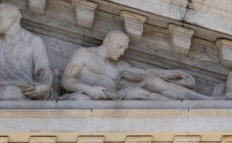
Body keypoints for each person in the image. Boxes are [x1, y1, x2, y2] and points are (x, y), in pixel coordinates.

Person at [61, 30, 207, 100]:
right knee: (139, 93)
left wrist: (174, 73)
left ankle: (201, 101)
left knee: (154, 82)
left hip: (114, 97)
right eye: (119, 47)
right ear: (107, 40)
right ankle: (181, 110)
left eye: (124, 49)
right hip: (87, 96)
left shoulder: (119, 67)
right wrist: (89, 89)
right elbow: (66, 80)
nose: (122, 52)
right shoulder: (84, 54)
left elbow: (146, 73)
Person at [0, 3, 53, 101]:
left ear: (13, 19)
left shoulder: (34, 41)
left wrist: (45, 86)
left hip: (24, 89)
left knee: (11, 92)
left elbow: (44, 70)